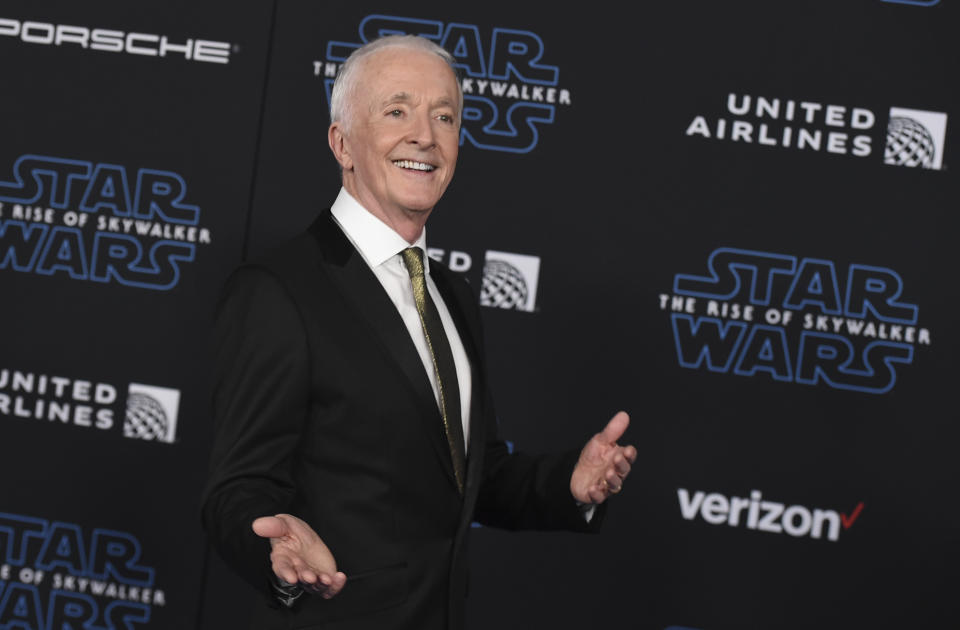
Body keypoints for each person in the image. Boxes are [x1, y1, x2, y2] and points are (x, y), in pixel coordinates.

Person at [201, 34, 636, 630]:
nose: (425, 136)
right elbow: (237, 489)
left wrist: (569, 483)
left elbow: (468, 475)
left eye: (445, 116)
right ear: (342, 143)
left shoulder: (451, 293)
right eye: (397, 111)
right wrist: (275, 554)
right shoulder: (279, 290)